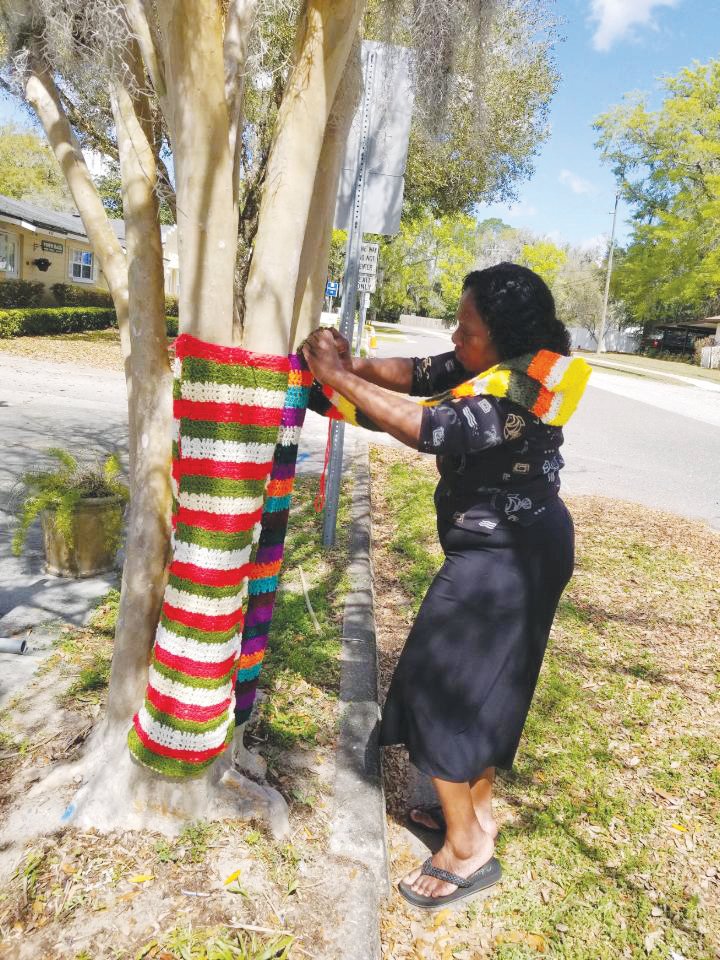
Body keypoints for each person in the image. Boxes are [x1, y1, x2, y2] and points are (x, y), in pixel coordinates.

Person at [301, 263, 590, 909]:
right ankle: (475, 820)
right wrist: (356, 367)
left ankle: (467, 851)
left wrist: (338, 378)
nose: (455, 339)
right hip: (508, 550)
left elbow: (428, 427)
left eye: (467, 330)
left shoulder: (518, 390)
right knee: (477, 694)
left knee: (441, 689)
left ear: (503, 336)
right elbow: (423, 375)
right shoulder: (489, 361)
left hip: (509, 561)